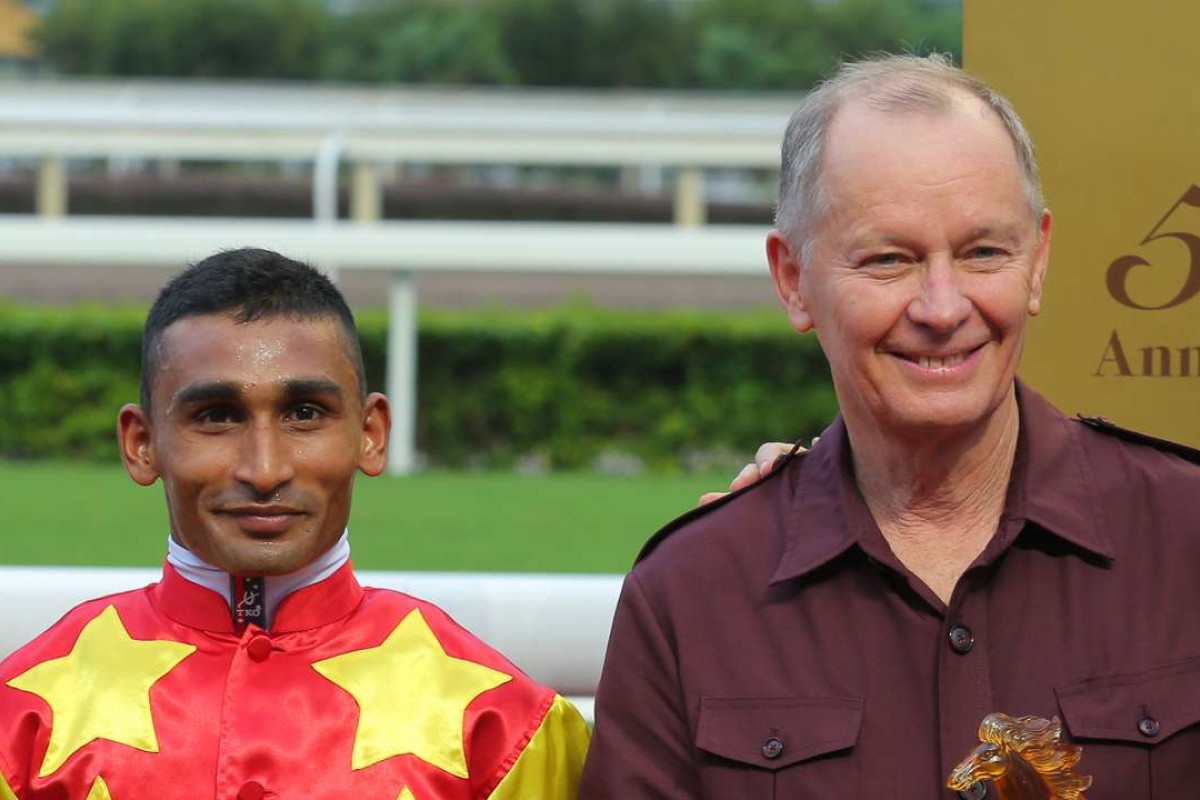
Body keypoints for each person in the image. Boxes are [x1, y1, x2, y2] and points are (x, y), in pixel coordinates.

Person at [580, 53, 1200, 799]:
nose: (942, 308)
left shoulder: (1185, 538)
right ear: (793, 279)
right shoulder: (693, 594)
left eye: (983, 253)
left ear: (1037, 261)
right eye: (888, 260)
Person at [0, 249, 589, 799]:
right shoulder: (19, 720)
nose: (265, 470)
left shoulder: (503, 728)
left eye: (305, 413)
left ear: (370, 434)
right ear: (141, 443)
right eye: (217, 416)